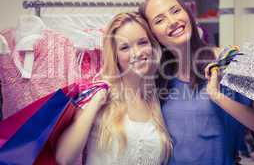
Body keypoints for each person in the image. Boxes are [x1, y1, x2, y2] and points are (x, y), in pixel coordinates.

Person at [139, 0, 254, 165]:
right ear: (151, 33)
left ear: (188, 13)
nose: (172, 21)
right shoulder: (155, 77)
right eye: (159, 20)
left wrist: (218, 97)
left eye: (176, 10)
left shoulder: (231, 60)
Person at [55, 12, 172, 165]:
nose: (137, 53)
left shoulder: (155, 98)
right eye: (125, 47)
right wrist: (96, 101)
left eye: (142, 42)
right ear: (115, 55)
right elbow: (64, 158)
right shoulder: (98, 93)